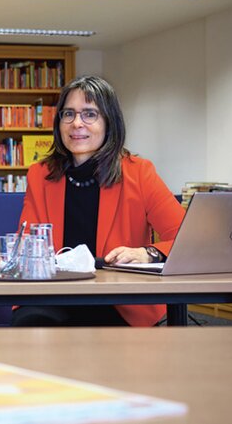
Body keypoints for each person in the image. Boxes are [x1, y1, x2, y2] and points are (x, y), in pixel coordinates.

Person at [13, 75, 185, 327]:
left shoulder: (139, 172)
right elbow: (26, 245)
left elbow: (186, 238)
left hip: (119, 300)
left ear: (109, 122)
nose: (76, 124)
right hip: (51, 294)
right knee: (30, 327)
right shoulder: (41, 175)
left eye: (90, 114)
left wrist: (147, 253)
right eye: (68, 114)